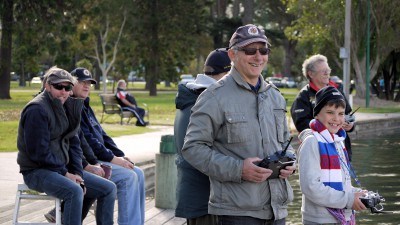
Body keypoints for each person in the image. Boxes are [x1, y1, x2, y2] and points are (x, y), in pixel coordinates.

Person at [181, 24, 296, 225]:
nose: (258, 57)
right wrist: (238, 169)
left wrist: (290, 163)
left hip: (278, 210)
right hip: (236, 213)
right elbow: (192, 148)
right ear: (232, 55)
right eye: (250, 50)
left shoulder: (275, 97)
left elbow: (285, 142)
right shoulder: (213, 97)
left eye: (264, 50)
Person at [17, 66, 116, 225]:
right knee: (74, 191)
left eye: (67, 87)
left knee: (108, 189)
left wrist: (78, 172)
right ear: (48, 86)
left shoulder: (67, 107)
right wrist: (65, 174)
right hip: (36, 171)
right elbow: (39, 153)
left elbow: (75, 145)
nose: (63, 92)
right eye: (58, 87)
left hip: (60, 169)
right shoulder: (36, 109)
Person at [70, 67, 146, 225]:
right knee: (128, 177)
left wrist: (120, 155)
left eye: (89, 83)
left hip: (99, 157)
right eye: (82, 82)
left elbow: (102, 134)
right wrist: (113, 159)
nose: (86, 86)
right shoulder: (72, 107)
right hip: (89, 161)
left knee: (138, 172)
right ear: (72, 83)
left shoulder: (85, 104)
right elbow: (88, 141)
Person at [174, 48, 231, 225]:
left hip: (197, 193)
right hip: (204, 197)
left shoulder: (193, 96)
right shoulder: (204, 101)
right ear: (226, 73)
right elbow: (197, 153)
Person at [297, 86, 367, 224]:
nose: (336, 118)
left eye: (341, 113)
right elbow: (310, 187)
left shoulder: (338, 141)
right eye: (330, 112)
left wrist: (357, 194)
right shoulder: (312, 142)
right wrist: (348, 200)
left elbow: (343, 183)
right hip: (320, 220)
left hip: (341, 218)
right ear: (317, 114)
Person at [290, 54, 356, 161]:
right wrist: (328, 125)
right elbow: (302, 125)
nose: (327, 73)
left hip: (342, 151)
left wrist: (351, 125)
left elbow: (348, 113)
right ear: (311, 74)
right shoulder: (303, 97)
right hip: (317, 153)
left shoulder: (337, 91)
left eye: (328, 70)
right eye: (323, 70)